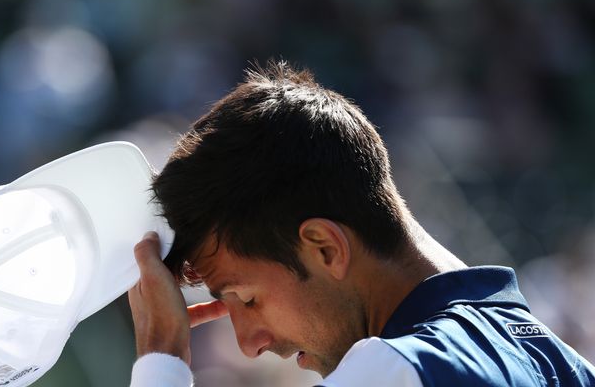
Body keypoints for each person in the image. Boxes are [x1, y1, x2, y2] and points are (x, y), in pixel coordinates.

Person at [126, 61, 595, 386]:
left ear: (325, 247)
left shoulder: (396, 370)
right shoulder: (569, 364)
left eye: (246, 299)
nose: (249, 344)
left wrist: (162, 357)